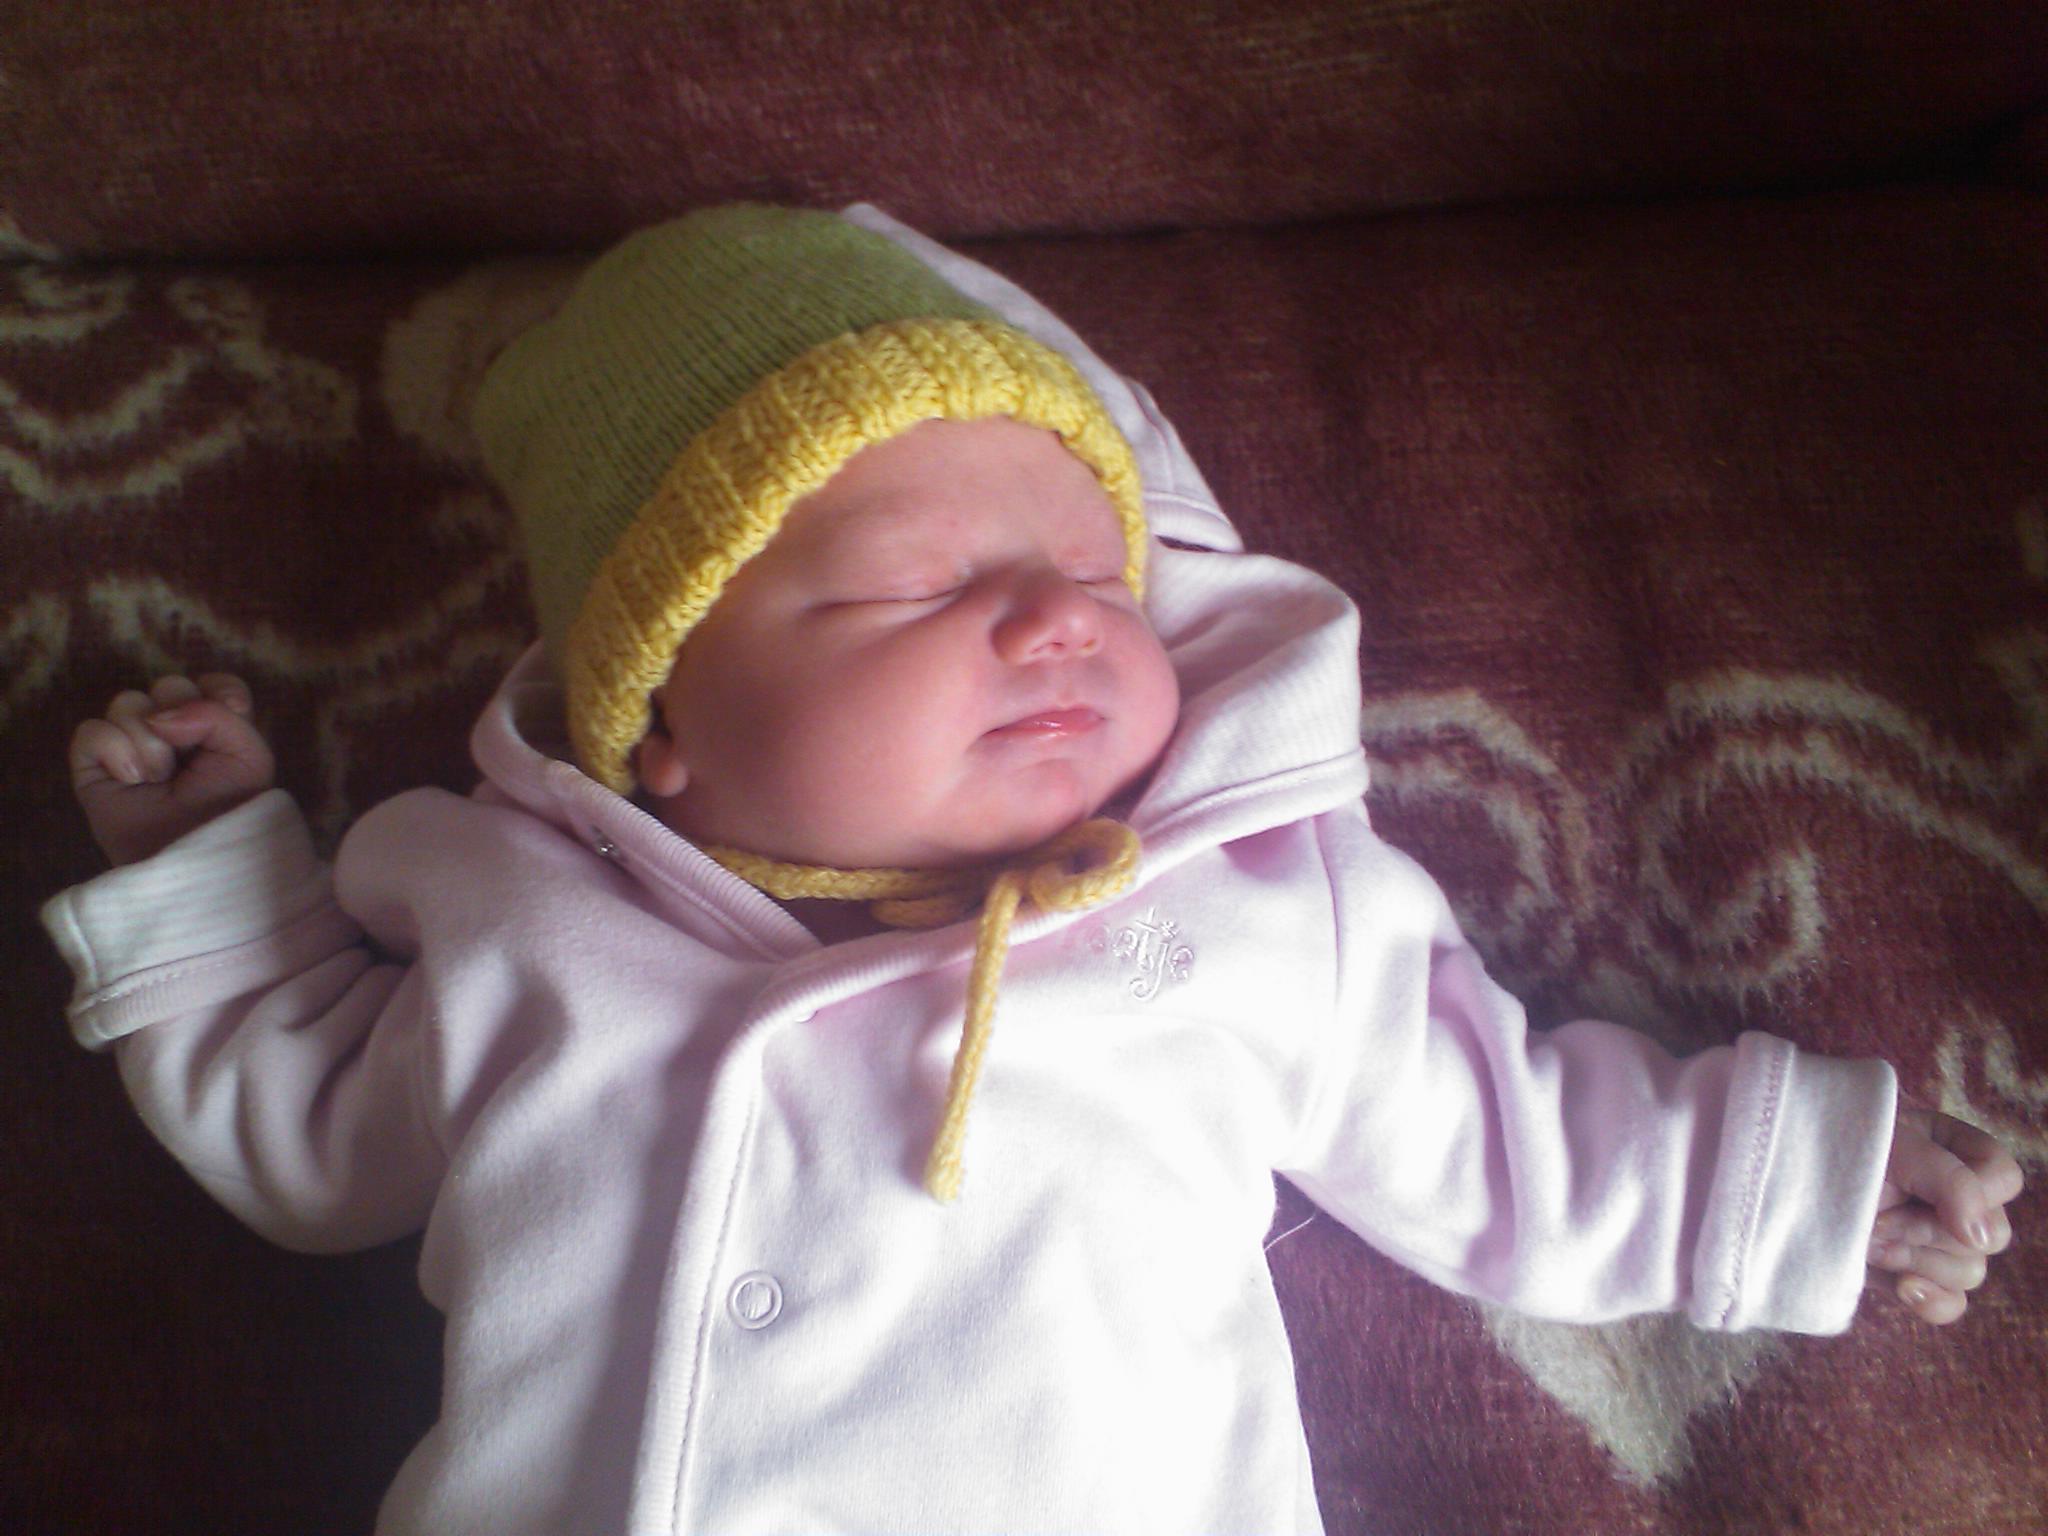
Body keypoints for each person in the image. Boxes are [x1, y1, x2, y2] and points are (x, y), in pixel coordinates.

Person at [42, 205, 2022, 1535]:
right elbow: (317, 1132)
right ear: (662, 718)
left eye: (1095, 576)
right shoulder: (513, 922)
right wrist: (207, 871)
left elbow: (1496, 1143)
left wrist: (1800, 1192)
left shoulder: (1246, 920)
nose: (1056, 619)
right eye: (920, 585)